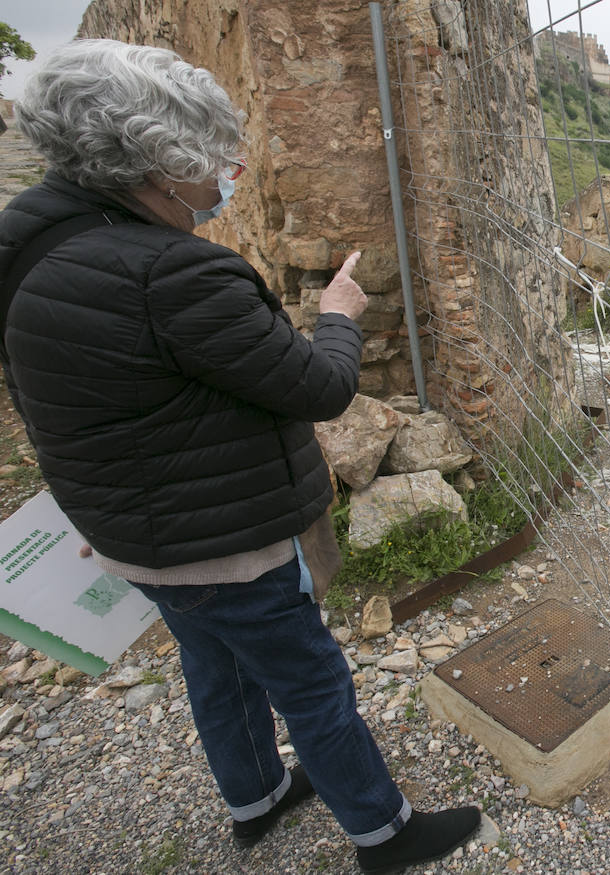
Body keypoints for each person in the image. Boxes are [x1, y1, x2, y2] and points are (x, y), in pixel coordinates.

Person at [0, 39, 482, 874]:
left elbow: (58, 398)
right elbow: (320, 389)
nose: (227, 168)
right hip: (224, 538)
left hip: (136, 536)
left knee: (214, 668)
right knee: (311, 681)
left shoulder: (25, 249)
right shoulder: (174, 273)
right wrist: (337, 312)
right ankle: (385, 833)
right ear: (155, 163)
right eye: (210, 154)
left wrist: (94, 503)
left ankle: (254, 797)